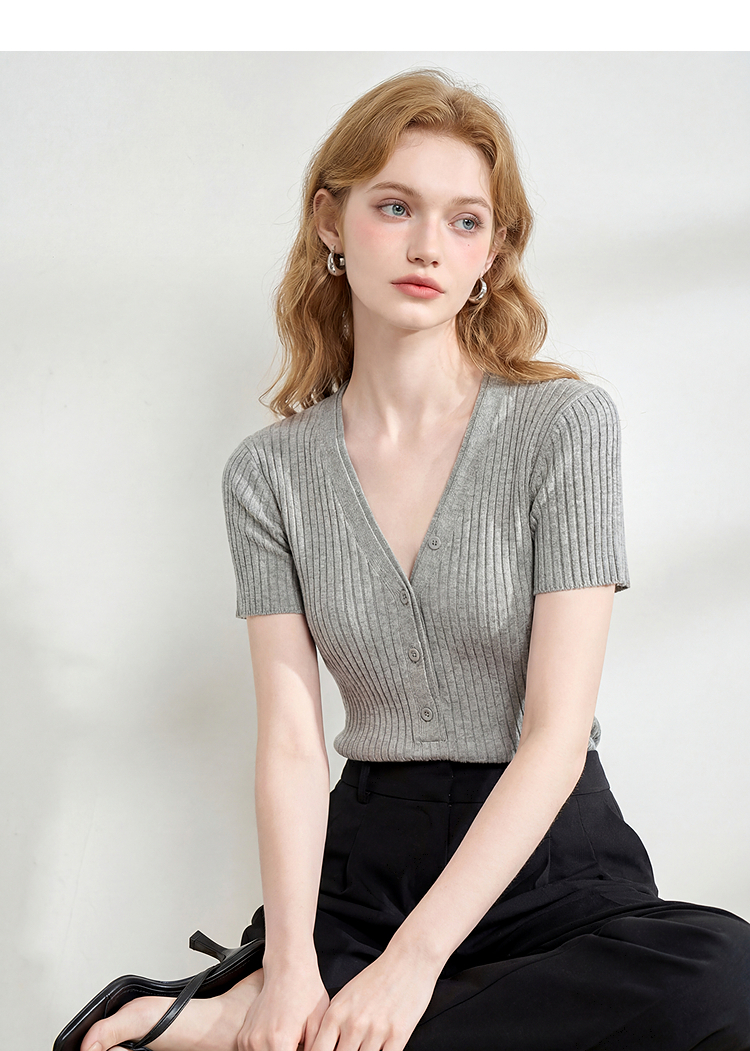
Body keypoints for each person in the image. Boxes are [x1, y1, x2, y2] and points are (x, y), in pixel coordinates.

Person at [62, 68, 750, 1051]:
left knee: (724, 974)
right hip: (365, 866)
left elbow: (557, 736)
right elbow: (292, 742)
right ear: (331, 221)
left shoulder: (563, 426)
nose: (430, 245)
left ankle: (228, 1024)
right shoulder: (269, 473)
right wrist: (291, 965)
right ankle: (285, 1006)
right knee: (324, 1001)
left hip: (550, 862)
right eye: (396, 207)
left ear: (493, 254)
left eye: (466, 221)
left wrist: (414, 964)